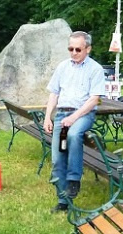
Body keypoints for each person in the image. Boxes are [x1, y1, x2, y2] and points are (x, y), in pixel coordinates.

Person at [42, 31, 106, 212]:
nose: (74, 52)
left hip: (83, 115)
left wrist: (74, 117)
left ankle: (74, 179)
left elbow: (94, 99)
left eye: (78, 49)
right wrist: (48, 117)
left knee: (74, 134)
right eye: (70, 49)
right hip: (62, 116)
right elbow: (54, 93)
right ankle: (63, 201)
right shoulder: (63, 67)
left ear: (88, 49)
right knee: (58, 157)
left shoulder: (95, 69)